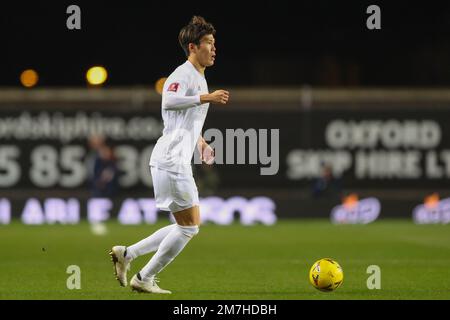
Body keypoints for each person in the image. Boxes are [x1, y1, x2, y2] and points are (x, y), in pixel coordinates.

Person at [109, 16, 229, 294]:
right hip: (171, 160)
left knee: (186, 225)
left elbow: (185, 119)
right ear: (192, 47)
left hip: (175, 161)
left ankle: (127, 254)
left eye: (214, 43)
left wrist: (200, 143)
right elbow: (169, 101)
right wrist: (206, 98)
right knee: (189, 228)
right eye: (208, 43)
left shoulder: (198, 77)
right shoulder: (182, 74)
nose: (214, 49)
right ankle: (144, 277)